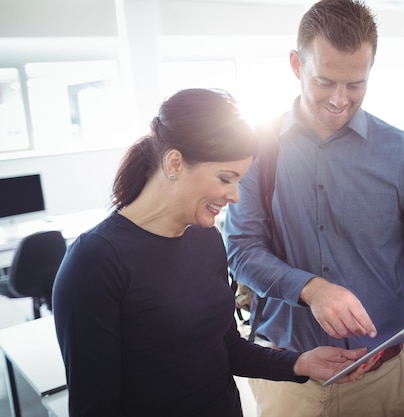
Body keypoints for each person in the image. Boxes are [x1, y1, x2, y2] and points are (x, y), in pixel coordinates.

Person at [52, 88, 377, 417]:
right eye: (226, 179)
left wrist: (299, 362)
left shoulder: (206, 240)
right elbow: (94, 407)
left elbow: (225, 347)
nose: (235, 196)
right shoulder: (94, 262)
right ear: (175, 162)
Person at [224, 1, 404, 417]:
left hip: (382, 377)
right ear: (296, 65)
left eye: (356, 83)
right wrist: (311, 289)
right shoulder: (256, 148)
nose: (340, 100)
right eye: (325, 81)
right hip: (287, 376)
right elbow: (242, 250)